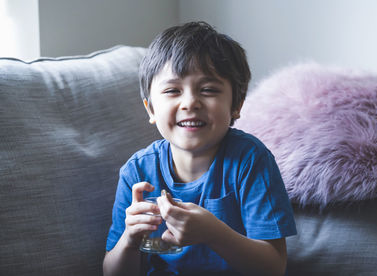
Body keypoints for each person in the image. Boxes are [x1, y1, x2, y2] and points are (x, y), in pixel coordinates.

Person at [103, 21, 297, 276]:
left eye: (208, 90)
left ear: (236, 104)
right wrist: (130, 239)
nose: (190, 102)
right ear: (150, 109)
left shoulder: (250, 160)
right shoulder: (137, 171)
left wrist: (214, 234)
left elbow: (273, 267)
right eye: (173, 90)